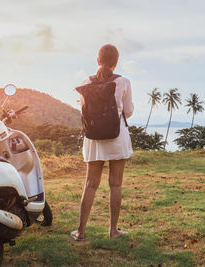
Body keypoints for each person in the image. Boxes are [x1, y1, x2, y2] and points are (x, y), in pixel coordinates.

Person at [70, 44, 134, 240]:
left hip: (94, 138)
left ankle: (80, 231)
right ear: (116, 62)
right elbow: (128, 111)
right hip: (117, 136)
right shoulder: (123, 82)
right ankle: (113, 231)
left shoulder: (86, 82)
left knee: (90, 184)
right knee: (115, 185)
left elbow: (84, 111)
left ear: (98, 60)